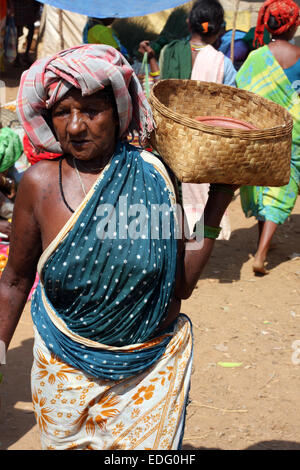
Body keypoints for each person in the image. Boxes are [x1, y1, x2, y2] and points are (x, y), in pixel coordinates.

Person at [0, 44, 237, 450]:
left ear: (118, 112)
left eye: (91, 111)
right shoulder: (38, 185)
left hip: (149, 375)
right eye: (62, 113)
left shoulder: (155, 175)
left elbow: (179, 284)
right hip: (63, 374)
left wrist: (217, 201)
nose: (75, 127)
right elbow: (15, 281)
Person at [139, 0, 236, 241]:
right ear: (217, 29)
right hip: (204, 149)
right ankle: (196, 245)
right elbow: (230, 109)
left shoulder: (168, 52)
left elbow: (158, 88)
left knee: (171, 196)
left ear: (188, 23)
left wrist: (152, 58)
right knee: (201, 201)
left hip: (170, 142)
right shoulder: (222, 63)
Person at [236, 0, 300, 275]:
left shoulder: (255, 58)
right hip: (293, 131)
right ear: (294, 24)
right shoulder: (299, 54)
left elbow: (242, 91)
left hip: (260, 130)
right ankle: (261, 253)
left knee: (262, 180)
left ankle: (265, 241)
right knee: (284, 184)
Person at [10, 0, 40, 66]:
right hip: (21, 9)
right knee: (18, 33)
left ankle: (22, 56)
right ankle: (18, 56)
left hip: (28, 9)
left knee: (22, 32)